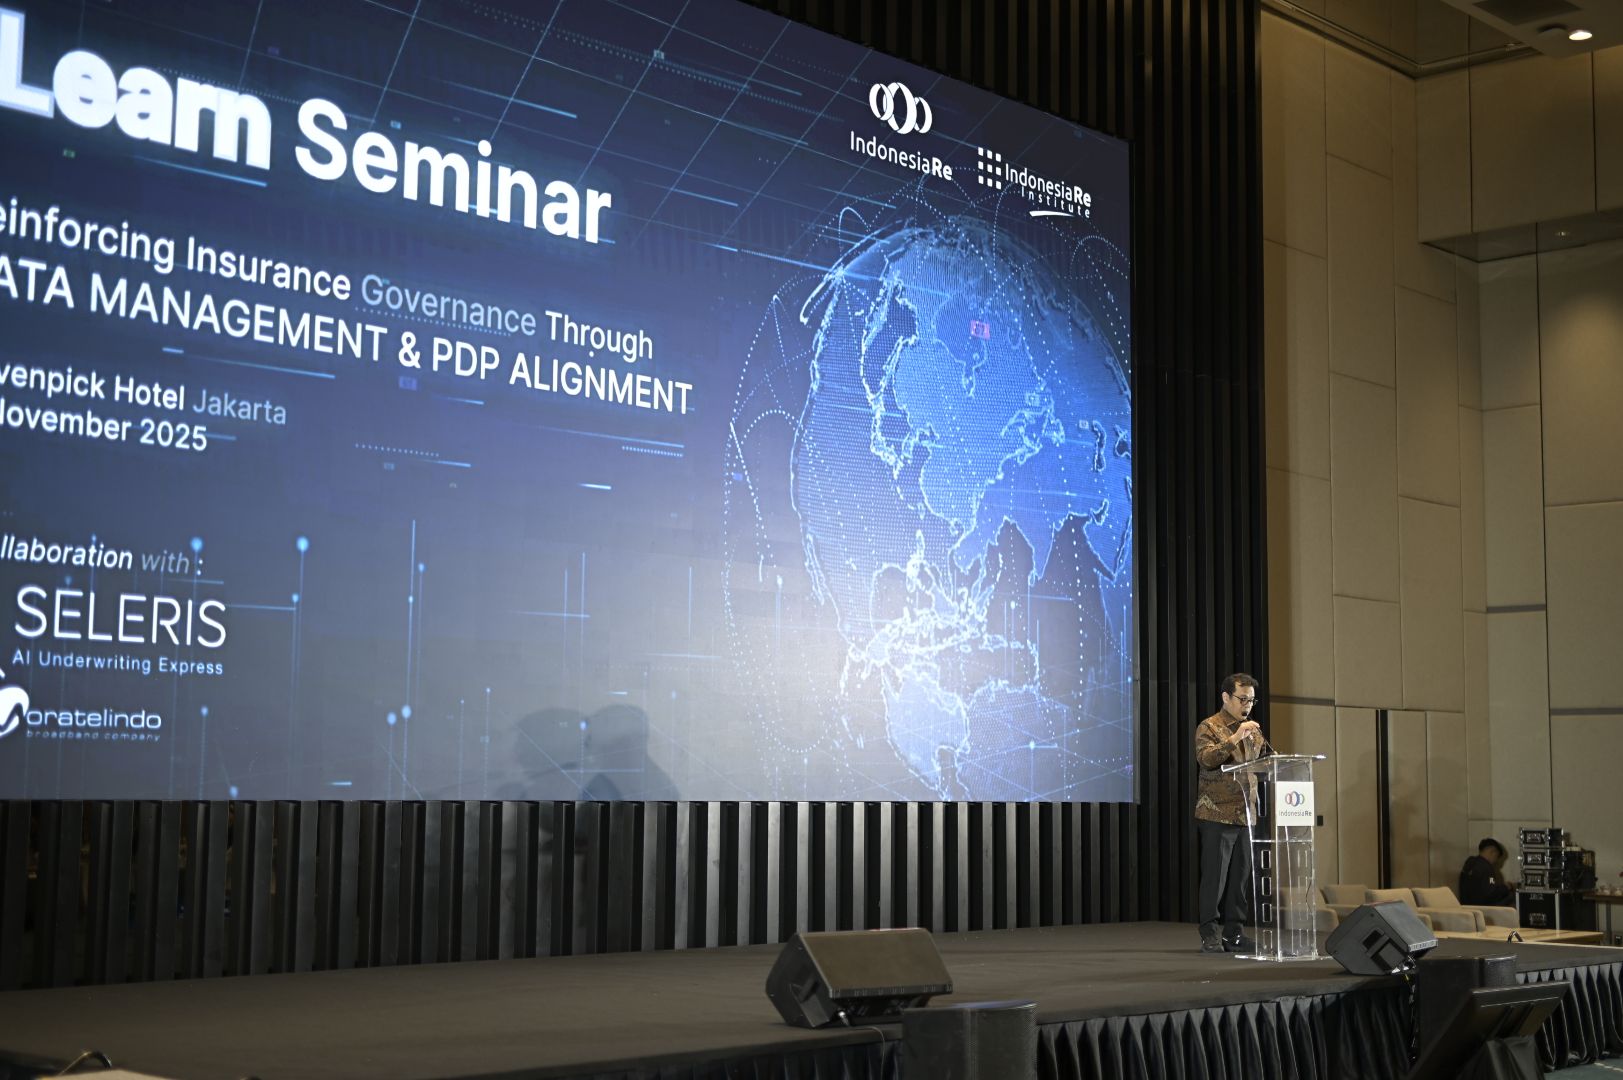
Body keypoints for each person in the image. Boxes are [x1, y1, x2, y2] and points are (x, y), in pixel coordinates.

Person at [1194, 672, 1264, 953]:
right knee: (1216, 878)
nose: (1247, 705)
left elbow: (1261, 763)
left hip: (1246, 814)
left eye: (1251, 700)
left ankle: (1234, 933)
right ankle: (1209, 934)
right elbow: (1206, 759)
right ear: (1226, 697)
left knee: (1240, 879)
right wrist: (1235, 737)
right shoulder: (1209, 726)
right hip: (1217, 814)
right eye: (1242, 699)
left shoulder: (1254, 730)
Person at [1459, 838, 1515, 906]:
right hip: (1482, 907)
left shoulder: (1470, 862)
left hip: (1466, 906)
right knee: (1511, 896)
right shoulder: (1487, 868)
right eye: (1497, 856)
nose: (1496, 861)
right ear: (1493, 851)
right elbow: (1492, 893)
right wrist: (1506, 887)